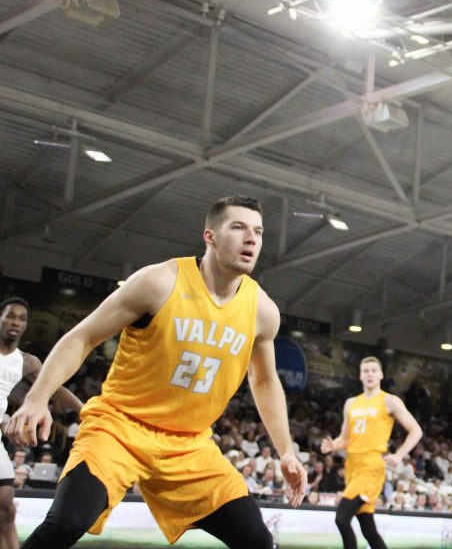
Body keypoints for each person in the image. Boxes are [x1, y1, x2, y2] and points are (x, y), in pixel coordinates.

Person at [5, 196, 307, 549]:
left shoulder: (262, 310)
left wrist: (286, 450)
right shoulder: (159, 281)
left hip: (190, 444)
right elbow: (83, 336)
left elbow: (265, 380)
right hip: (120, 428)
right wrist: (37, 398)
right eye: (238, 228)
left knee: (256, 539)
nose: (252, 239)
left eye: (258, 231)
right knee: (66, 523)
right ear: (209, 236)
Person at [0, 297, 83, 549]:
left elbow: (55, 389)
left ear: (26, 326)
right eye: (10, 315)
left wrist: (86, 410)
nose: (15, 321)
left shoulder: (27, 362)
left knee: (6, 512)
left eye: (21, 318)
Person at [321, 356, 422, 549]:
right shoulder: (351, 403)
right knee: (368, 530)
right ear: (360, 375)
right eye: (366, 371)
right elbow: (345, 438)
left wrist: (399, 455)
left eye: (373, 370)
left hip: (371, 467)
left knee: (342, 519)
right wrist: (332, 445)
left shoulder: (389, 401)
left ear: (381, 375)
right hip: (352, 466)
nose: (369, 374)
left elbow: (416, 430)